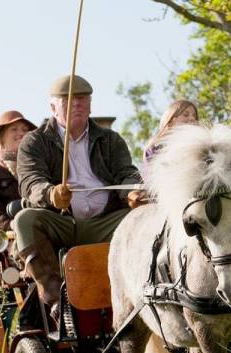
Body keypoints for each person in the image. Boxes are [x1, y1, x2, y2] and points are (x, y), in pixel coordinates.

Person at [13, 75, 142, 321]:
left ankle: (147, 293)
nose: (77, 104)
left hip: (107, 222)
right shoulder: (34, 142)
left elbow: (126, 173)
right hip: (62, 223)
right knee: (24, 221)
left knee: (148, 215)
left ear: (91, 105)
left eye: (82, 99)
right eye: (68, 100)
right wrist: (51, 195)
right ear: (53, 108)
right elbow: (30, 184)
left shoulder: (110, 140)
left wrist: (132, 192)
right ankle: (55, 301)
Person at [0, 110, 36, 229]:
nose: (21, 133)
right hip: (10, 241)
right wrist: (14, 225)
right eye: (14, 129)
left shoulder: (36, 169)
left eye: (25, 130)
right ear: (0, 139)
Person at [143, 99, 199, 164]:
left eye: (194, 116)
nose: (192, 118)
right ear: (170, 121)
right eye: (185, 115)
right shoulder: (156, 147)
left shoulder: (201, 148)